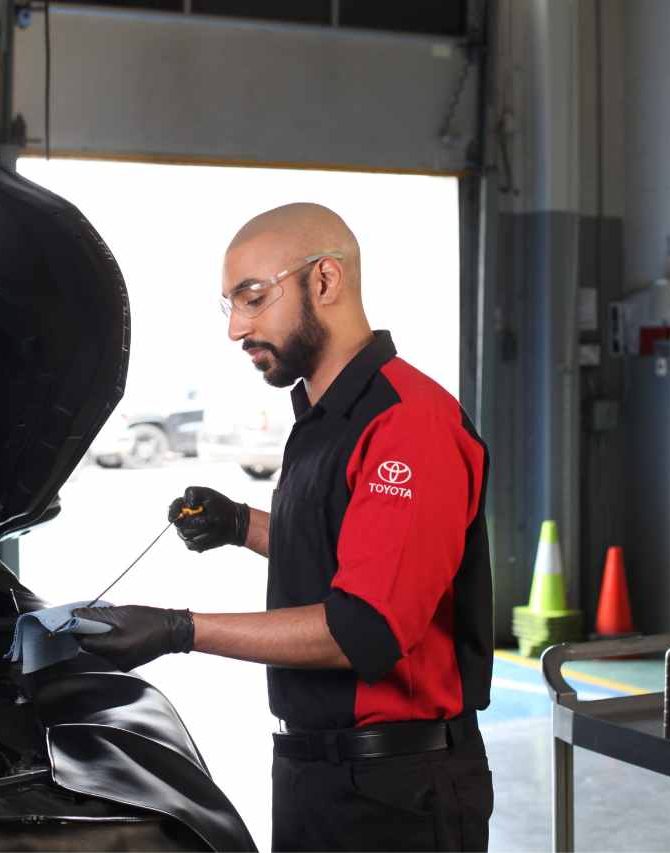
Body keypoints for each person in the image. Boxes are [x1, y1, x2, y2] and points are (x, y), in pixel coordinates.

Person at [74, 202, 494, 852]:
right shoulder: (322, 417)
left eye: (253, 298)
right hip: (313, 770)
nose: (237, 327)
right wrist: (240, 524)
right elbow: (351, 549)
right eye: (230, 305)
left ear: (325, 281)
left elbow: (365, 627)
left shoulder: (409, 423)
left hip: (397, 791)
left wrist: (179, 629)